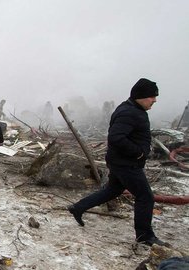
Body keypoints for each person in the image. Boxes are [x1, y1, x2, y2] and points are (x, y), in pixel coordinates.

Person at [67, 78, 169, 247]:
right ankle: (145, 236)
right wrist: (138, 152)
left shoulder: (132, 109)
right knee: (145, 197)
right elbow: (115, 137)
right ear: (142, 96)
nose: (155, 100)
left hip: (121, 162)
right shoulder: (130, 112)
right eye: (152, 96)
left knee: (113, 190)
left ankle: (78, 207)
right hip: (126, 164)